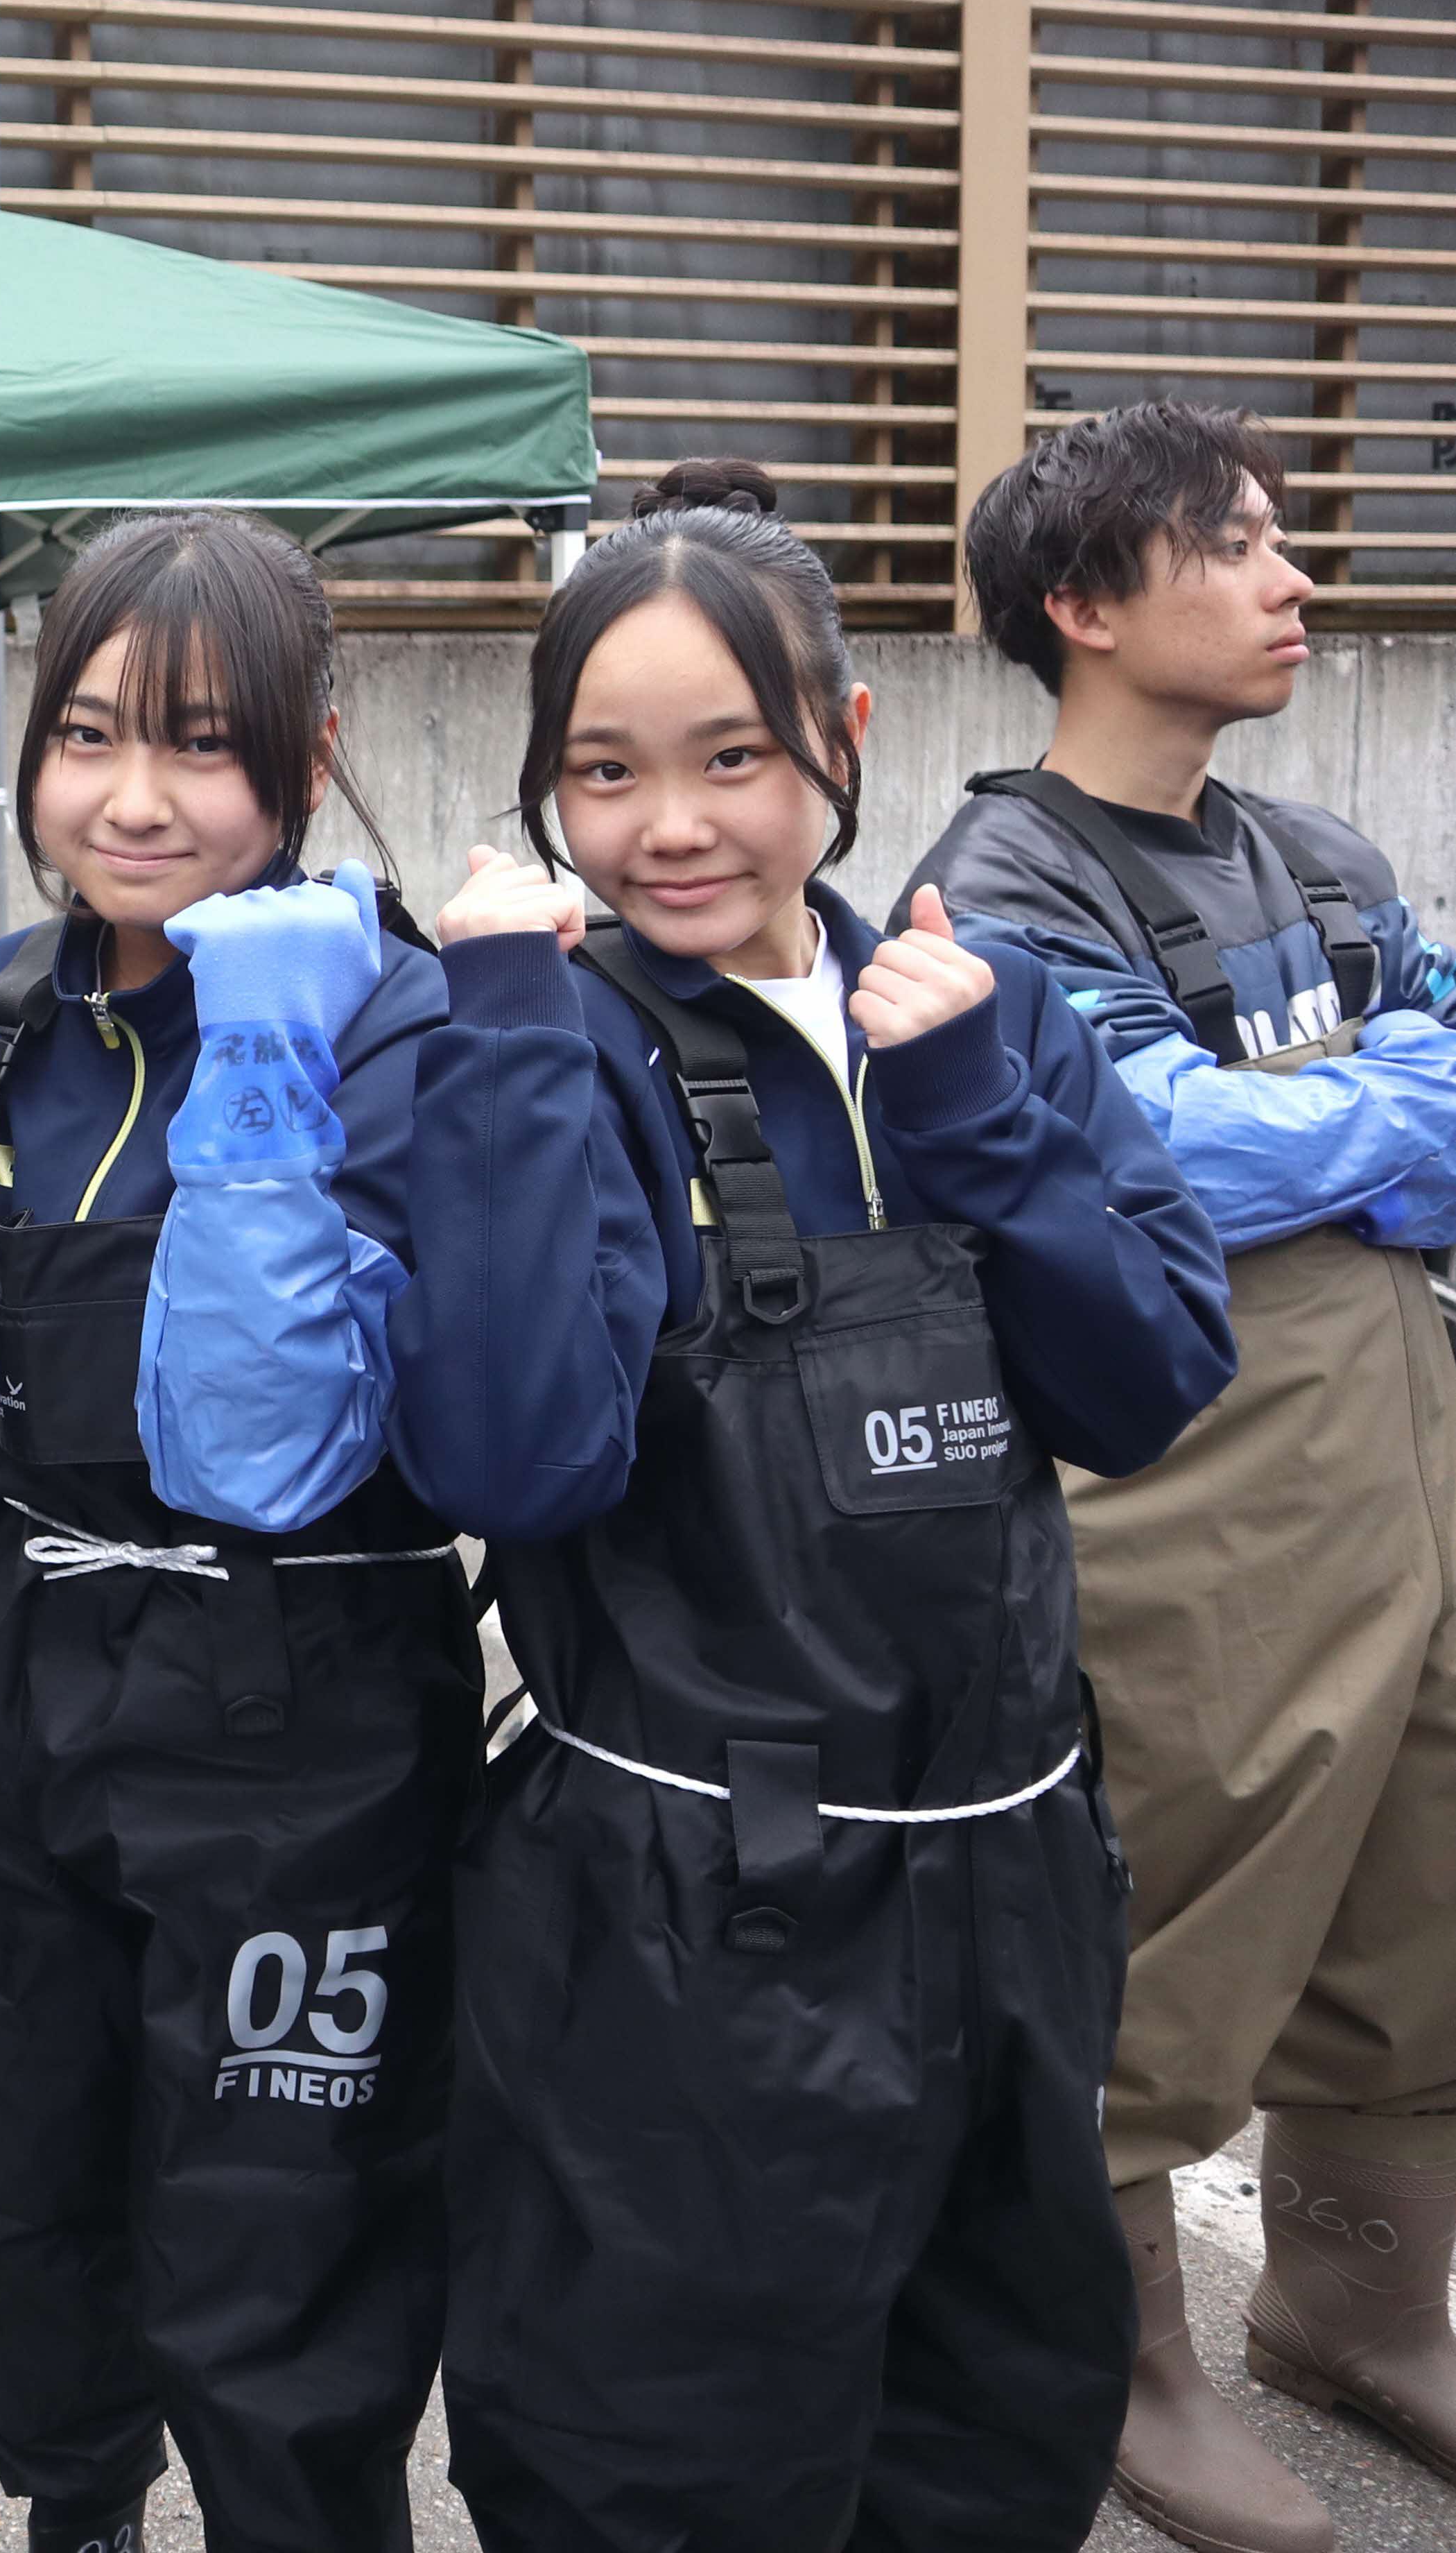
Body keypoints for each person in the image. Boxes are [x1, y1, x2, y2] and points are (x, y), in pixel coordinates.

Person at [399, 461, 1232, 2549]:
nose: (669, 826)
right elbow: (514, 1456)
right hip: (677, 1908)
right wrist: (499, 1042)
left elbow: (1142, 1389)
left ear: (842, 741)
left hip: (1010, 1870)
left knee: (989, 2426)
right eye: (603, 772)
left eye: (733, 758)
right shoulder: (553, 1044)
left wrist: (974, 1116)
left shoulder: (988, 1012)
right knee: (659, 2460)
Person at [0, 513, 479, 2553]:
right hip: (27, 1672)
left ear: (307, 761)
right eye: (88, 735)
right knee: (29, 2169)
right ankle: (75, 2505)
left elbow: (287, 1438)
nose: (132, 799)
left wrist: (266, 1059)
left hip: (302, 1706)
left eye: (201, 745)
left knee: (278, 2222)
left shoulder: (391, 1019)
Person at [908, 404, 1456, 2553]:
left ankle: (1353, 2309)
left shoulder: (1316, 854)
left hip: (1401, 1444)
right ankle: (1119, 2367)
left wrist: (1341, 1118)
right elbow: (1147, 1157)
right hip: (1188, 1484)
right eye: (1233, 544)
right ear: (1082, 601)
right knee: (1175, 1897)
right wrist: (1388, 1097)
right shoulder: (998, 878)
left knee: (1420, 1882)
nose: (1291, 579)